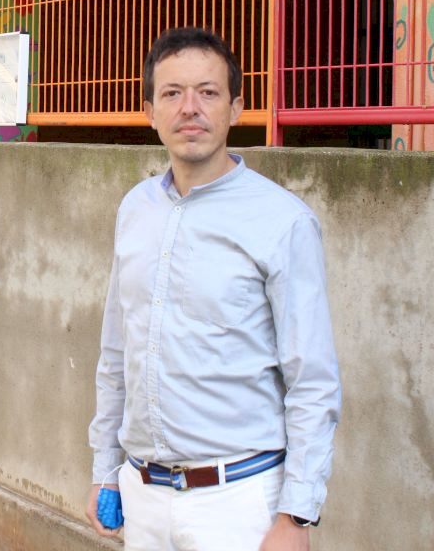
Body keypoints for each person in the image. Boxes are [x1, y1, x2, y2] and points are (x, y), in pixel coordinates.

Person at [85, 27, 341, 551]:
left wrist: (295, 517)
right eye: (172, 93)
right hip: (143, 495)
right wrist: (105, 470)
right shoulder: (135, 209)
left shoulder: (283, 222)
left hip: (238, 503)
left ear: (236, 108)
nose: (190, 108)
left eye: (208, 92)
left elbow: (312, 379)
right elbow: (117, 354)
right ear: (150, 111)